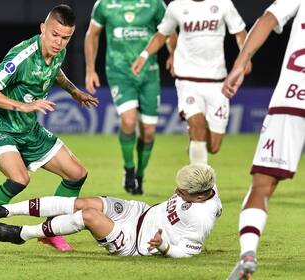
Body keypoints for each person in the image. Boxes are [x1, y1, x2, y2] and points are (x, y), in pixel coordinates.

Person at [0, 4, 99, 254]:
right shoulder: (22, 56)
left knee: (76, 174)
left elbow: (55, 72)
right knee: (19, 179)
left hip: (29, 131)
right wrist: (22, 106)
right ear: (43, 29)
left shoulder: (57, 51)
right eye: (54, 35)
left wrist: (74, 92)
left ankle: (51, 230)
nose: (59, 43)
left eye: (66, 38)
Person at [222, 1, 305, 279]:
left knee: (262, 184)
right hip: (290, 101)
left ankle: (248, 253)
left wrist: (240, 62)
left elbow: (268, 18)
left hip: (291, 99)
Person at [0, 163, 222, 257]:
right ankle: (7, 210)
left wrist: (163, 246)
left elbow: (188, 254)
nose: (176, 190)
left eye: (182, 191)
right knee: (85, 203)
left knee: (88, 216)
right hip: (139, 212)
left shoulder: (201, 218)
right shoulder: (204, 181)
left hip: (136, 242)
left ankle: (22, 234)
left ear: (200, 196)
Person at [132, 0, 251, 165]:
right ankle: (199, 185)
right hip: (187, 80)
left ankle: (195, 143)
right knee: (198, 127)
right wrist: (143, 56)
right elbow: (162, 35)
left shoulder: (223, 4)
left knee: (214, 146)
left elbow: (240, 33)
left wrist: (245, 58)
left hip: (217, 82)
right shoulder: (176, 7)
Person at [84, 0, 171, 195]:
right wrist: (90, 69)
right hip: (119, 73)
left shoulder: (155, 4)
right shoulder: (104, 5)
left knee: (148, 132)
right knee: (128, 121)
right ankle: (129, 169)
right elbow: (92, 34)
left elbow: (168, 31)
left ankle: (140, 174)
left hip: (149, 74)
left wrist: (173, 54)